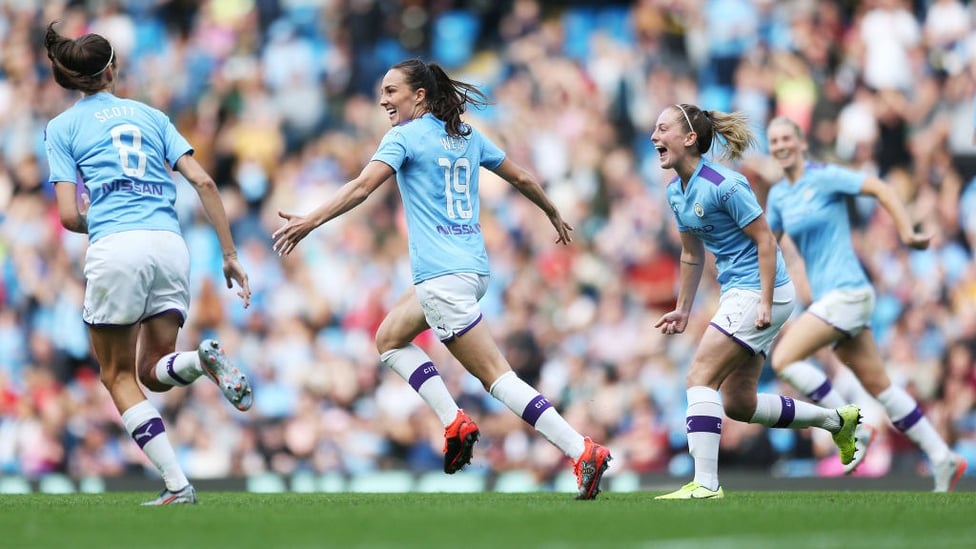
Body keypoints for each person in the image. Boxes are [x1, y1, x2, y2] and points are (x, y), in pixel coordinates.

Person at [272, 58, 612, 499]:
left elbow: (361, 188)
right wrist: (551, 211)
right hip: (472, 269)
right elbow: (522, 176)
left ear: (419, 95)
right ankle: (454, 421)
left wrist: (309, 221)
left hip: (440, 277)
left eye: (391, 91)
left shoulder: (404, 138)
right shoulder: (465, 135)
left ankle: (581, 449)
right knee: (389, 339)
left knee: (497, 379)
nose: (382, 99)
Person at [43, 22, 254, 505]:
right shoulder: (152, 116)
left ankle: (178, 485)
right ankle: (201, 359)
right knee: (155, 370)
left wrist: (104, 217)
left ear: (75, 80)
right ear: (112, 69)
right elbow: (205, 183)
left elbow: (69, 215)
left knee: (117, 376)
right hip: (169, 243)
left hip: (119, 247)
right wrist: (229, 255)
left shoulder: (62, 128)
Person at [650, 104, 861, 499]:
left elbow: (766, 240)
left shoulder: (725, 184)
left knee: (699, 377)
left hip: (761, 290)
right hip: (740, 291)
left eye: (662, 129)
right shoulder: (675, 192)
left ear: (689, 138)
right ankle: (837, 421)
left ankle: (706, 484)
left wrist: (765, 301)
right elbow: (692, 255)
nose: (653, 137)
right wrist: (683, 307)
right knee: (739, 404)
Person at [764, 116, 967, 491]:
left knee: (784, 359)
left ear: (802, 142)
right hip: (832, 300)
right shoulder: (778, 196)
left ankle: (851, 427)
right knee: (881, 387)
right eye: (773, 141)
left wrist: (907, 232)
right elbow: (767, 246)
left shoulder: (823, 175)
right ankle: (943, 456)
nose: (780, 146)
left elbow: (879, 187)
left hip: (849, 292)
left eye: (786, 138)